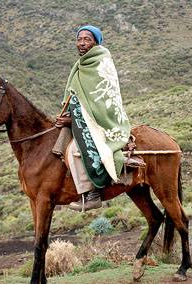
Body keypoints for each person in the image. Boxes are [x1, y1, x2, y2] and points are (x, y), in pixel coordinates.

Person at [55, 25, 130, 211]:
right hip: (82, 118)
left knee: (74, 150)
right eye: (79, 39)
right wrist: (68, 115)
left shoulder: (101, 63)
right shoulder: (80, 66)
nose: (81, 43)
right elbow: (78, 98)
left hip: (103, 121)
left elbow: (101, 104)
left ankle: (92, 194)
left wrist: (73, 121)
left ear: (96, 42)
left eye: (87, 39)